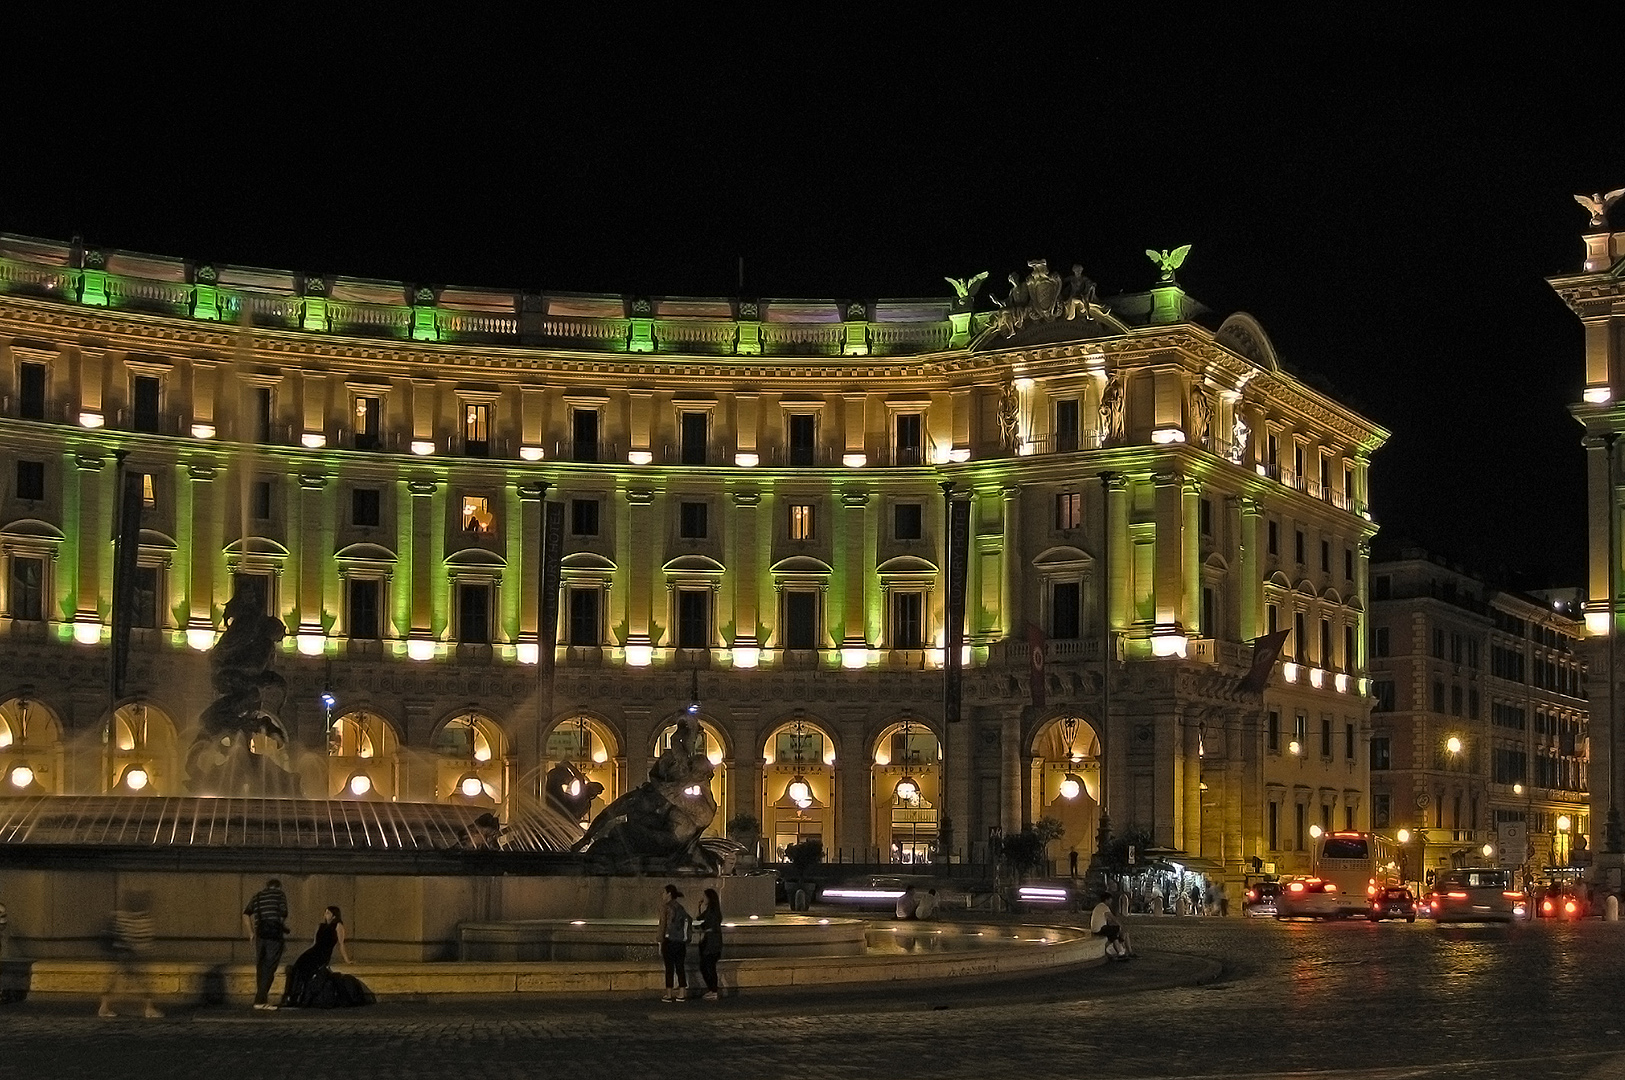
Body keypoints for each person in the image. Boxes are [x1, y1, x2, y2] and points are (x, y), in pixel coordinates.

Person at [283, 906, 371, 1008]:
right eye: (325, 913)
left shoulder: (338, 926)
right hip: (313, 952)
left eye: (328, 913)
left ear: (334, 915)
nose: (325, 915)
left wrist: (347, 960)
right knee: (297, 968)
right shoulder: (320, 926)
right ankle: (292, 996)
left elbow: (341, 944)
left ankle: (299, 997)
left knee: (307, 970)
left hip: (323, 954)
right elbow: (315, 943)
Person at [99, 894, 161, 1018]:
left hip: (122, 953)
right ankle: (149, 1009)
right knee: (143, 982)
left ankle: (104, 1007)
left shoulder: (120, 916)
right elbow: (144, 939)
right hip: (133, 954)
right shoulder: (144, 918)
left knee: (114, 981)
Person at [243, 877, 289, 1010]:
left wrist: (251, 933)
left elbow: (246, 914)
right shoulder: (279, 895)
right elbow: (283, 913)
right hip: (273, 936)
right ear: (278, 887)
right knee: (270, 966)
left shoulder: (257, 896)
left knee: (261, 966)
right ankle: (260, 1000)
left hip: (260, 935)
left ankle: (261, 999)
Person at [658, 884, 692, 1002]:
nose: (662, 895)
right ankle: (682, 993)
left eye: (663, 892)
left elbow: (663, 925)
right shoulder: (680, 907)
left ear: (669, 894)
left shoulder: (666, 907)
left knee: (669, 968)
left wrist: (660, 939)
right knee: (680, 966)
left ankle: (669, 994)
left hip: (670, 941)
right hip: (680, 942)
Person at [695, 888, 724, 1000]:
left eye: (705, 896)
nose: (703, 898)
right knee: (705, 966)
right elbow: (699, 919)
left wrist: (704, 931)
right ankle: (712, 989)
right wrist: (698, 907)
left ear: (710, 898)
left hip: (713, 943)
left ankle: (714, 990)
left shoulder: (714, 911)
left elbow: (713, 927)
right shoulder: (709, 910)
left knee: (708, 966)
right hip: (708, 942)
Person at [1090, 889, 1134, 960]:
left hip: (1096, 928)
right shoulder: (1104, 907)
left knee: (1114, 931)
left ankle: (1121, 948)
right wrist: (1121, 925)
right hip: (1099, 929)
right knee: (1116, 931)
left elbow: (1109, 920)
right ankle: (1121, 950)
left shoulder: (1099, 906)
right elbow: (1113, 918)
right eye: (1110, 899)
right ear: (1107, 900)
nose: (1111, 901)